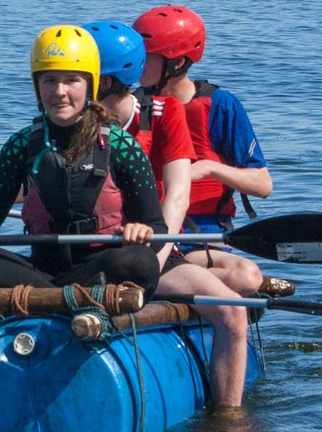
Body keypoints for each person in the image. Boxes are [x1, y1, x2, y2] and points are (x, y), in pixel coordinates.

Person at [0, 25, 165, 296]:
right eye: (49, 80)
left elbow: (156, 227)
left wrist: (141, 232)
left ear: (91, 84)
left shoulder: (121, 145)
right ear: (37, 86)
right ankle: (59, 299)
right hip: (39, 269)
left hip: (101, 267)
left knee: (140, 260)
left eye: (71, 80)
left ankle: (45, 300)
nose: (59, 91)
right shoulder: (21, 145)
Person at [87, 20, 249, 407]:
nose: (67, 91)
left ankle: (228, 426)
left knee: (233, 311)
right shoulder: (61, 122)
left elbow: (177, 195)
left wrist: (152, 262)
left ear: (109, 80)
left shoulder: (163, 112)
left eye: (82, 80)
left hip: (150, 250)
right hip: (86, 253)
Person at [133, 5, 272, 296]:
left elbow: (262, 185)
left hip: (203, 235)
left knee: (246, 276)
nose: (136, 64)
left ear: (178, 63)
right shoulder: (130, 105)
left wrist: (209, 168)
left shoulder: (220, 106)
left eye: (146, 57)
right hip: (147, 232)